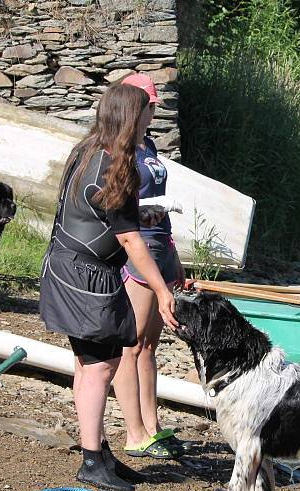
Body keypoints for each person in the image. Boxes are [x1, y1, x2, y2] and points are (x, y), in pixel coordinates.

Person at [39, 83, 178, 491]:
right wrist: (163, 289)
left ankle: (99, 452)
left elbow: (110, 217)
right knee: (99, 367)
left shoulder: (88, 152)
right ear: (128, 118)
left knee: (91, 364)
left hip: (71, 268)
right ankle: (90, 460)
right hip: (84, 278)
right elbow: (129, 240)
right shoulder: (111, 165)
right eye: (144, 114)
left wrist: (142, 214)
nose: (149, 120)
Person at [112, 73, 193, 459]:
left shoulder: (148, 143)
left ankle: (153, 425)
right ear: (134, 105)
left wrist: (174, 256)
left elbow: (158, 197)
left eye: (155, 105)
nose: (153, 111)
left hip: (161, 243)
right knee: (132, 342)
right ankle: (134, 433)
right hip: (137, 249)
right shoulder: (120, 147)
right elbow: (118, 205)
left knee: (150, 345)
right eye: (149, 105)